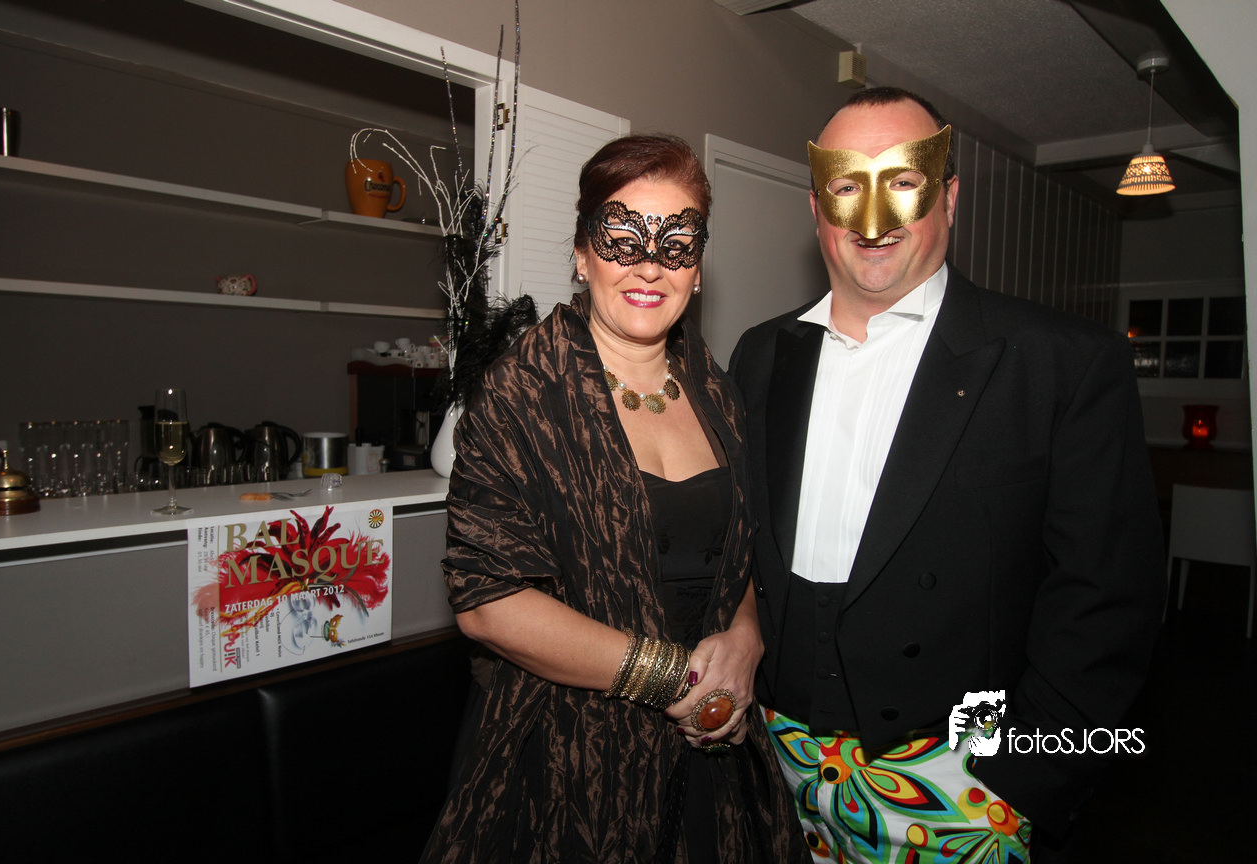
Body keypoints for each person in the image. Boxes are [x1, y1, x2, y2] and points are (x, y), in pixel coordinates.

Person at [729, 88, 1164, 863]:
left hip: (961, 794)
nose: (873, 219)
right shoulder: (760, 356)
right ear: (816, 206)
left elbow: (1109, 602)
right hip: (779, 772)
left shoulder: (1060, 363)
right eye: (846, 185)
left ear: (950, 198)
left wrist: (1023, 784)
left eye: (903, 181)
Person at [422, 134, 806, 863]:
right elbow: (487, 601)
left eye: (677, 244)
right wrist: (670, 678)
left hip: (714, 749)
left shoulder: (719, 390)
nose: (649, 266)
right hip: (566, 759)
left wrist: (745, 639)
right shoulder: (520, 394)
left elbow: (739, 551)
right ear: (581, 253)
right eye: (622, 238)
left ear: (698, 268)